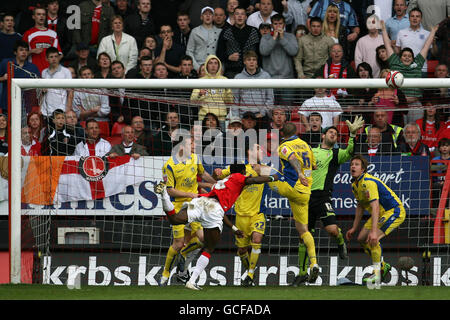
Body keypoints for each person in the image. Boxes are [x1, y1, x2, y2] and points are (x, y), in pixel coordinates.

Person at [154, 162, 278, 290]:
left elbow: (220, 210)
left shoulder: (223, 181)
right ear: (241, 172)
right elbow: (254, 180)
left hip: (200, 201)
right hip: (213, 210)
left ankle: (164, 195)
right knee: (209, 248)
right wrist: (273, 178)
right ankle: (191, 281)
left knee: (175, 219)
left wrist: (234, 228)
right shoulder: (237, 177)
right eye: (244, 172)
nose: (246, 174)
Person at [292, 116, 364, 286]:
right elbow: (304, 169)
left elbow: (351, 152)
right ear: (323, 136)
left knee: (332, 229)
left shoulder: (336, 154)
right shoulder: (311, 151)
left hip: (323, 197)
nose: (334, 135)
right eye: (331, 132)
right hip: (306, 197)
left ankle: (340, 241)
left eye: (336, 134)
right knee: (303, 236)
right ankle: (302, 273)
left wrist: (352, 135)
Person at [260, 122, 320, 283]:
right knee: (303, 230)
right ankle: (313, 263)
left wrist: (299, 173)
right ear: (296, 132)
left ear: (282, 134)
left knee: (262, 170)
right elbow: (313, 165)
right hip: (305, 192)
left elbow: (293, 158)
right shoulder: (306, 146)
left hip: (291, 187)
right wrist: (305, 172)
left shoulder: (284, 146)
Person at [158, 134, 218, 288]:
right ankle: (165, 274)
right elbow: (170, 191)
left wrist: (217, 183)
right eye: (191, 144)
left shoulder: (195, 158)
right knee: (177, 244)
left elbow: (203, 174)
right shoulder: (169, 165)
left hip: (194, 205)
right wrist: (188, 194)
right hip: (178, 206)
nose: (194, 146)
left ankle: (184, 256)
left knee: (204, 239)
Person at [212, 143, 269, 286]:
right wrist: (217, 172)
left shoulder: (263, 168)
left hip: (258, 213)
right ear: (249, 151)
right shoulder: (238, 168)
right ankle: (250, 271)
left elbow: (272, 175)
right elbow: (217, 176)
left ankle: (249, 274)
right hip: (241, 215)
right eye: (257, 148)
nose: (260, 150)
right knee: (242, 250)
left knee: (256, 239)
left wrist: (259, 167)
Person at [346, 154, 406, 284]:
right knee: (361, 239)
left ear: (363, 169)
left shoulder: (368, 182)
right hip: (380, 214)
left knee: (373, 239)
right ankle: (383, 265)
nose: (353, 167)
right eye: (352, 164)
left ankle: (377, 274)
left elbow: (375, 207)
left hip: (394, 211)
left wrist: (374, 231)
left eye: (356, 164)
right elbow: (360, 206)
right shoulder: (355, 185)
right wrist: (354, 227)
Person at [380, 19, 437, 122]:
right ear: (400, 57)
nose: (407, 58)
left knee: (415, 131)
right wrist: (383, 30)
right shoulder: (395, 63)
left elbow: (426, 46)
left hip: (415, 104)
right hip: (398, 104)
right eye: (404, 56)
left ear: (413, 58)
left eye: (409, 56)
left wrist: (432, 32)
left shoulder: (417, 64)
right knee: (401, 131)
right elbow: (387, 46)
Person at [216, 6, 260, 79]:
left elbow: (259, 53)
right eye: (237, 14)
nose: (240, 16)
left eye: (242, 14)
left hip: (252, 72)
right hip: (232, 72)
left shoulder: (254, 31)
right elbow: (219, 53)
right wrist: (228, 57)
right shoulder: (226, 32)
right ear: (233, 16)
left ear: (246, 17)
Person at [190, 55, 233, 125]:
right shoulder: (200, 81)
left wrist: (228, 91)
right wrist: (199, 94)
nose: (213, 65)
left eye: (215, 63)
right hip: (204, 118)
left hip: (220, 118)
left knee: (222, 136)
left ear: (219, 66)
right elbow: (192, 101)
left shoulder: (225, 80)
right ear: (206, 65)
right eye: (210, 63)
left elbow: (229, 102)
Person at [0, 40, 40, 114]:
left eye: (26, 50)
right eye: (21, 50)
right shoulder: (6, 63)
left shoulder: (33, 67)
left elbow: (40, 85)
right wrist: (3, 78)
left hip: (26, 108)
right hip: (8, 105)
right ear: (15, 52)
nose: (24, 52)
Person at [395, 7, 437, 76]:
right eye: (412, 16)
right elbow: (397, 53)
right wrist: (393, 46)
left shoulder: (427, 34)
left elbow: (434, 53)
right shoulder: (401, 32)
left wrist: (434, 44)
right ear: (409, 18)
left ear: (421, 19)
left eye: (417, 16)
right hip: (404, 69)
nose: (415, 18)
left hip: (422, 69)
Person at [233, 50, 274, 119]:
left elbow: (270, 98)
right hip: (244, 116)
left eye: (254, 60)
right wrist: (237, 117)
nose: (251, 62)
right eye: (249, 60)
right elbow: (235, 100)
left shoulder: (266, 76)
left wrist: (262, 113)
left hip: (261, 116)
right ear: (244, 62)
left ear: (257, 62)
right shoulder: (238, 78)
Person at [72, 66, 111, 136]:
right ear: (80, 77)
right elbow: (78, 114)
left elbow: (106, 110)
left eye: (88, 74)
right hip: (84, 123)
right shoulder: (77, 91)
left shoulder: (101, 89)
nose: (87, 76)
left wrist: (86, 113)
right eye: (84, 74)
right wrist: (93, 110)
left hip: (102, 122)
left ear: (92, 76)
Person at [22, 6, 62, 73]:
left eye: (43, 14)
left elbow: (60, 54)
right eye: (39, 14)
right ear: (33, 17)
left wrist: (53, 67)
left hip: (50, 73)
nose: (41, 16)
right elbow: (21, 55)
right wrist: (32, 51)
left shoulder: (53, 34)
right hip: (34, 72)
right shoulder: (28, 34)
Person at [259, 13, 298, 81]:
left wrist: (282, 38)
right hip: (269, 77)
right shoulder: (265, 37)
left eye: (280, 23)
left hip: (287, 77)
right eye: (275, 24)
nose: (278, 26)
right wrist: (274, 38)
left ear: (284, 25)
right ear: (271, 25)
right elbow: (264, 52)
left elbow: (294, 52)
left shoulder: (291, 36)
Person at [186, 6, 221, 72]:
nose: (208, 16)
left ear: (213, 17)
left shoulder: (219, 32)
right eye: (205, 14)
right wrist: (197, 67)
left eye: (210, 14)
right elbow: (189, 51)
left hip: (215, 67)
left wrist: (220, 68)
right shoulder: (195, 31)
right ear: (201, 17)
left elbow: (222, 52)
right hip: (199, 65)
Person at [41, 47, 73, 118]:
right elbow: (42, 93)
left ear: (59, 57)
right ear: (47, 59)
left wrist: (68, 109)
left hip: (61, 109)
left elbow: (70, 92)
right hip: (46, 110)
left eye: (56, 56)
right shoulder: (44, 72)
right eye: (51, 57)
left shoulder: (66, 71)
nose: (54, 59)